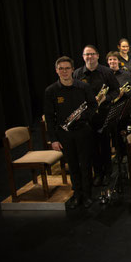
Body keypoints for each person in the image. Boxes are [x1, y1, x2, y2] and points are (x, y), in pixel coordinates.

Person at [44, 56, 98, 209]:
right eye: (61, 68)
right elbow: (49, 117)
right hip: (65, 134)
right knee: (73, 165)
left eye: (67, 68)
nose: (64, 71)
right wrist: (53, 139)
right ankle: (77, 194)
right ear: (56, 71)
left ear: (72, 70)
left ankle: (87, 195)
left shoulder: (83, 87)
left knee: (86, 164)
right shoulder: (51, 91)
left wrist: (84, 115)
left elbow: (93, 105)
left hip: (83, 131)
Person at [72, 45, 120, 186]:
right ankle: (98, 173)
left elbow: (116, 91)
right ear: (83, 57)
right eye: (87, 54)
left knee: (105, 145)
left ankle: (108, 172)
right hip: (86, 117)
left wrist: (106, 98)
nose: (90, 57)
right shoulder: (77, 74)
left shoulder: (106, 72)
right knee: (90, 147)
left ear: (98, 56)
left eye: (92, 54)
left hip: (103, 114)